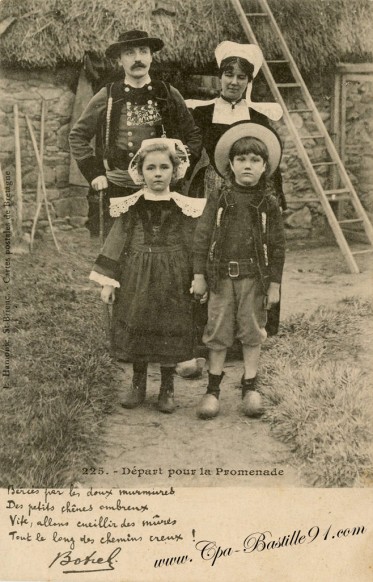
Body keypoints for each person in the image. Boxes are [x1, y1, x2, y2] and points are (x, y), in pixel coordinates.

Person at [89, 138, 206, 413]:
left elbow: (193, 245)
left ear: (174, 171)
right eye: (150, 168)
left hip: (174, 277)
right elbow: (117, 242)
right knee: (138, 320)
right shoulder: (132, 206)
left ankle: (167, 387)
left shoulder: (184, 207)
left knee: (170, 324)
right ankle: (138, 383)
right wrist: (109, 281)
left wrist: (198, 277)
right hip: (136, 276)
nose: (157, 173)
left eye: (164, 167)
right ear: (140, 172)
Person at [187, 41, 285, 336]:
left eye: (241, 77)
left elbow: (269, 162)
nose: (233, 81)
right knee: (207, 251)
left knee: (251, 253)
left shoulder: (258, 117)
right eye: (228, 74)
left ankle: (250, 330)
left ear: (248, 82)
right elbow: (189, 154)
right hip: (208, 194)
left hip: (249, 199)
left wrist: (277, 197)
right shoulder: (200, 113)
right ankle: (205, 330)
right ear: (220, 77)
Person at [192, 122, 285, 420]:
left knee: (252, 331)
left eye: (255, 160)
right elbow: (202, 237)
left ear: (264, 166)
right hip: (220, 279)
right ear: (230, 165)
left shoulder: (268, 203)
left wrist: (274, 284)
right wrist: (199, 275)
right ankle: (213, 389)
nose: (247, 166)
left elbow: (278, 246)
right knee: (217, 332)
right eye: (241, 159)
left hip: (253, 279)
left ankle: (250, 386)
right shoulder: (220, 198)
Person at [69, 29, 202, 236]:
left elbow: (193, 135)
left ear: (151, 56)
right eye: (129, 53)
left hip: (161, 189)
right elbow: (77, 136)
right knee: (115, 255)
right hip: (118, 186)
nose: (137, 58)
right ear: (120, 60)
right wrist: (94, 173)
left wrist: (182, 167)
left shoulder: (167, 93)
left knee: (159, 250)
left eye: (143, 51)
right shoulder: (109, 95)